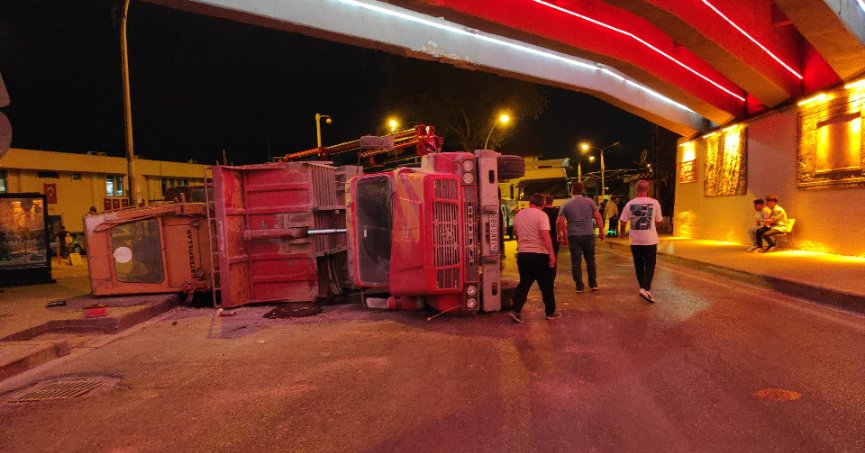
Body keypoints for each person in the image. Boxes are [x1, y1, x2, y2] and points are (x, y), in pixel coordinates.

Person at [509, 193, 559, 323]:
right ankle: (550, 312)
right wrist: (552, 254)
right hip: (540, 255)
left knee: (524, 284)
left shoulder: (519, 215)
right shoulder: (542, 215)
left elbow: (516, 233)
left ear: (530, 202)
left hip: (523, 255)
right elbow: (545, 236)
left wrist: (521, 245)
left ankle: (515, 310)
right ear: (543, 204)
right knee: (546, 285)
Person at [557, 181, 605, 293]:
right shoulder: (590, 202)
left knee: (576, 261)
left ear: (571, 190)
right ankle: (593, 284)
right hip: (589, 235)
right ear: (583, 190)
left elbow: (559, 221)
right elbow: (598, 217)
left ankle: (579, 286)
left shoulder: (566, 203)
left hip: (573, 236)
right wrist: (602, 232)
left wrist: (559, 234)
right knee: (590, 260)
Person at [619, 180, 662, 303]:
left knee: (638, 265)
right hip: (650, 240)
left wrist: (622, 232)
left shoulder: (629, 204)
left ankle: (643, 288)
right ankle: (645, 288)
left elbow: (622, 221)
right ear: (647, 189)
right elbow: (659, 222)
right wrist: (654, 229)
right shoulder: (654, 203)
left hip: (635, 240)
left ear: (636, 190)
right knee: (650, 264)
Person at [542, 194, 560, 280]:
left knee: (544, 258)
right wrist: (561, 235)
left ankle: (545, 278)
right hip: (554, 237)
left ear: (545, 201)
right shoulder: (557, 211)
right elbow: (561, 223)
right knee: (554, 258)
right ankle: (552, 279)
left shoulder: (542, 211)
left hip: (543, 238)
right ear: (552, 201)